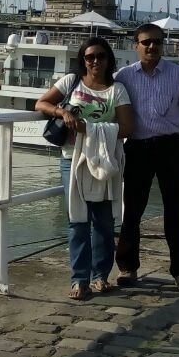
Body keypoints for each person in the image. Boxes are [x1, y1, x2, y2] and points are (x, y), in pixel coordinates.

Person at [113, 23, 179, 293]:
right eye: (146, 42)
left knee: (176, 212)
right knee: (132, 211)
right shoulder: (123, 76)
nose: (152, 46)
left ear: (162, 44)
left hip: (171, 147)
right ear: (136, 45)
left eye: (157, 41)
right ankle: (127, 268)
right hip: (138, 147)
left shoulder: (177, 74)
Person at [35, 36, 134, 300]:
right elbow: (41, 104)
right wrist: (62, 113)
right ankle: (80, 279)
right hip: (72, 159)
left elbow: (127, 128)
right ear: (83, 60)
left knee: (102, 222)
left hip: (103, 160)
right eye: (90, 57)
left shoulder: (117, 90)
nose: (95, 61)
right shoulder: (71, 82)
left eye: (101, 56)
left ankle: (100, 276)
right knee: (77, 221)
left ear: (108, 60)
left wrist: (88, 129)